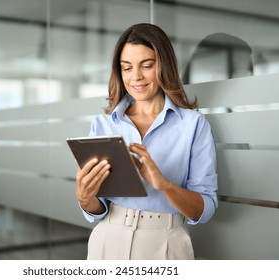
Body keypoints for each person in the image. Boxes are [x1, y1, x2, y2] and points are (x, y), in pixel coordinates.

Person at [75, 23, 218, 260]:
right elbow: (97, 208)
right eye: (127, 68)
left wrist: (164, 185)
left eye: (147, 65)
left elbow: (206, 208)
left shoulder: (193, 124)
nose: (136, 77)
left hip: (166, 243)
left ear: (164, 66)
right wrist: (84, 198)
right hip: (107, 239)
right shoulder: (104, 124)